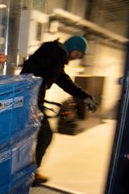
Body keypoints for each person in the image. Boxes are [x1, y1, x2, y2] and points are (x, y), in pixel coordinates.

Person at [21, 35, 98, 184]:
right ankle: (30, 173)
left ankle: (28, 170)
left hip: (33, 99)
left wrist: (85, 97)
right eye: (77, 54)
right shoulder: (51, 50)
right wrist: (32, 90)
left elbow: (65, 82)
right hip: (29, 99)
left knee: (37, 136)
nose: (76, 58)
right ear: (72, 47)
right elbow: (30, 67)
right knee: (45, 134)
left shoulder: (57, 59)